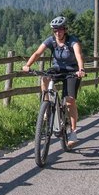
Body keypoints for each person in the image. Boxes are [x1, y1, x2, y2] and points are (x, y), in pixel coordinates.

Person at [22, 16, 87, 147]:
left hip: (72, 71)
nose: (58, 32)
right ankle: (46, 105)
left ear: (65, 30)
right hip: (57, 69)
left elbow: (79, 56)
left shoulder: (72, 41)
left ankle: (73, 132)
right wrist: (27, 65)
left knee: (69, 101)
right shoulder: (51, 41)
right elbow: (37, 53)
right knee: (45, 78)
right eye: (55, 30)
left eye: (61, 29)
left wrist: (81, 69)